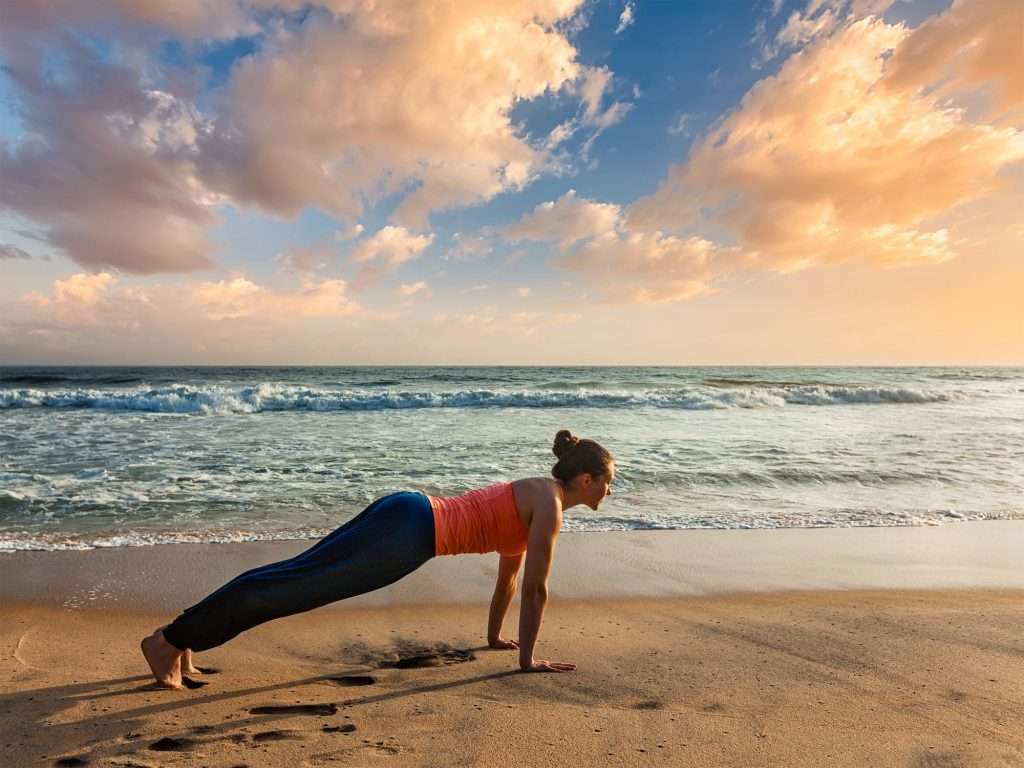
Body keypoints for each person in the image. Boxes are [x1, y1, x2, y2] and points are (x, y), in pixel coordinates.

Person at [141, 429, 615, 688]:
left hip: (409, 510)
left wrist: (496, 640)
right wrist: (529, 662)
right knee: (294, 587)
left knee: (292, 576)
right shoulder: (549, 506)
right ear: (587, 480)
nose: (610, 490)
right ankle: (168, 641)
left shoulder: (538, 496)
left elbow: (510, 582)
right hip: (409, 534)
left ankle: (186, 639)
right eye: (608, 480)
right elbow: (536, 589)